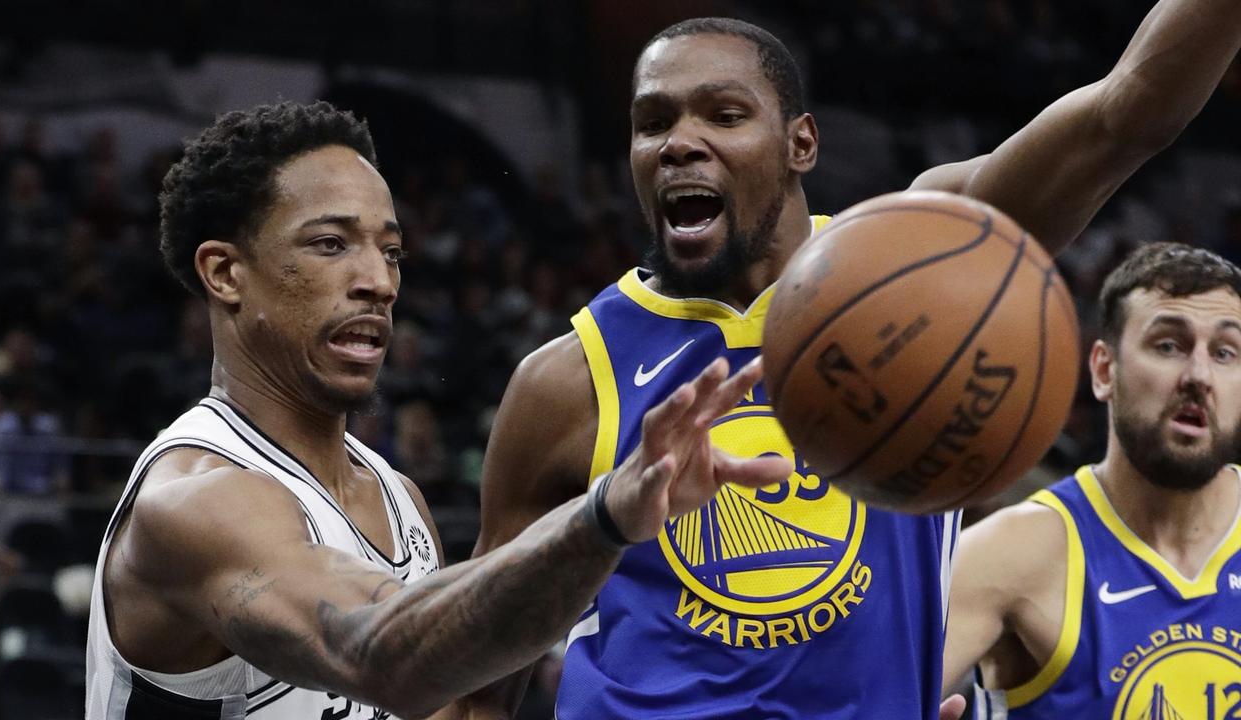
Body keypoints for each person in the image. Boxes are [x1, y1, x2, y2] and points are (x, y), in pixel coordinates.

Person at [464, 4, 1241, 719]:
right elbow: (469, 686)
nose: (679, 142)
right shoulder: (565, 381)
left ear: (802, 142)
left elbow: (1125, 113)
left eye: (725, 115)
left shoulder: (918, 266)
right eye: (651, 122)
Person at [84, 101, 792, 719]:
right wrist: (601, 520)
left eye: (390, 251)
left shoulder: (399, 500)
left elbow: (451, 702)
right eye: (331, 245)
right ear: (224, 272)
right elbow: (381, 657)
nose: (377, 282)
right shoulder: (193, 503)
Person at [943, 242, 1241, 718]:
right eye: (1168, 345)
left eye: (1225, 352)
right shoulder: (1011, 556)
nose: (1199, 375)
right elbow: (860, 699)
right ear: (1104, 370)